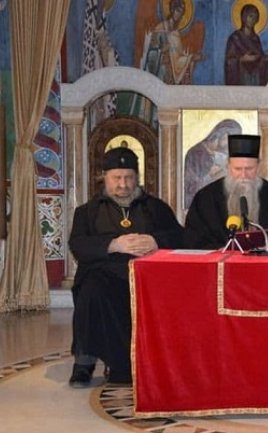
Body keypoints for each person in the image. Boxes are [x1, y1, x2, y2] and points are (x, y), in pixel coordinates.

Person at [68, 148, 184, 387]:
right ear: (105, 177)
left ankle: (151, 360)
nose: (123, 184)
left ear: (137, 178)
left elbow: (181, 237)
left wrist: (156, 241)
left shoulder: (156, 208)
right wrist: (113, 245)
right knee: (91, 292)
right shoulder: (87, 212)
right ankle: (84, 362)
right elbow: (78, 244)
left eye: (129, 177)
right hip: (104, 276)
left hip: (148, 277)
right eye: (117, 178)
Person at [184, 134, 268, 250]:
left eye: (249, 169)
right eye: (237, 169)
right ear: (228, 166)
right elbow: (194, 241)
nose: (243, 175)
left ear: (258, 166)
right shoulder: (206, 198)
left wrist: (262, 249)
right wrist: (222, 250)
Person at [183, 119, 242, 209]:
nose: (230, 144)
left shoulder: (225, 154)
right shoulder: (195, 154)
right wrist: (210, 175)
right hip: (202, 207)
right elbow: (190, 188)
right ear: (221, 134)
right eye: (229, 139)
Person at [224, 4, 268, 85]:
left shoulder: (255, 38)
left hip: (256, 78)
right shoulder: (235, 38)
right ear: (244, 17)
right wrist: (242, 59)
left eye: (255, 17)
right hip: (241, 79)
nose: (253, 20)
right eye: (250, 16)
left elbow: (259, 58)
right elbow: (229, 60)